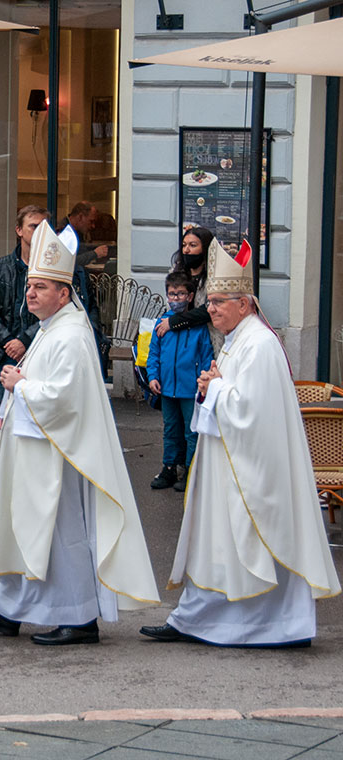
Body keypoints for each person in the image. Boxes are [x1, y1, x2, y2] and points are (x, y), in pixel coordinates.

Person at [0, 221, 159, 646]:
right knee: (22, 526)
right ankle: (9, 607)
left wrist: (20, 385)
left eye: (41, 287)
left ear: (64, 293)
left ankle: (80, 617)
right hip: (34, 447)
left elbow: (65, 398)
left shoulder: (70, 335)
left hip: (60, 455)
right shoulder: (52, 328)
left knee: (61, 532)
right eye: (30, 286)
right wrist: (20, 379)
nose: (30, 293)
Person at [140, 238, 340, 648]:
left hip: (252, 472)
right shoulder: (236, 339)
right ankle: (198, 618)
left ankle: (275, 625)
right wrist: (208, 388)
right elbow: (229, 395)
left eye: (219, 302)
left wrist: (214, 389)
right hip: (228, 463)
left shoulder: (260, 344)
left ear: (244, 303)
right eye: (209, 301)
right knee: (220, 545)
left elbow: (251, 411)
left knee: (246, 544)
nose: (210, 309)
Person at [0, 205, 103, 397]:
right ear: (19, 230)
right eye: (33, 226)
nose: (31, 293)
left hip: (41, 351)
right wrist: (8, 342)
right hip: (8, 353)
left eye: (44, 228)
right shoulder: (1, 267)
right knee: (7, 414)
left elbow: (59, 312)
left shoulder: (64, 272)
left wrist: (24, 339)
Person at [146, 271, 214, 492]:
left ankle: (189, 469)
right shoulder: (161, 323)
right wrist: (153, 376)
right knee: (170, 429)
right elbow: (153, 353)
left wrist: (203, 381)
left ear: (190, 295)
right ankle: (169, 467)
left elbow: (205, 355)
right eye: (172, 295)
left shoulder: (197, 326)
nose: (176, 299)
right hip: (167, 388)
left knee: (191, 431)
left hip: (190, 389)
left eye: (181, 294)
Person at [154, 227, 222, 354]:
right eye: (184, 245)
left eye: (193, 245)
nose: (186, 250)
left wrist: (175, 322)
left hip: (208, 338)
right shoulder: (177, 273)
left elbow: (210, 309)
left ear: (205, 248)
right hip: (180, 338)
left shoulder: (216, 277)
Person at [60, 201, 110, 268]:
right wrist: (94, 253)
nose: (93, 226)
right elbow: (67, 262)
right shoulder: (62, 232)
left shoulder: (77, 232)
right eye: (91, 221)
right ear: (80, 217)